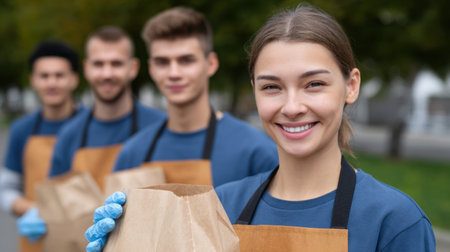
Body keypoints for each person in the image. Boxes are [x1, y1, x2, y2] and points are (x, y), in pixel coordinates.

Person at [85, 4, 436, 252]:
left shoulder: (394, 221)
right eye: (272, 87)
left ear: (351, 85)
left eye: (314, 84)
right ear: (254, 91)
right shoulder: (222, 204)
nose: (293, 106)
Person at [17, 26, 166, 244]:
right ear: (87, 69)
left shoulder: (160, 126)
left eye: (116, 63)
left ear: (133, 68)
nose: (107, 73)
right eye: (99, 64)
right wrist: (41, 215)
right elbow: (57, 206)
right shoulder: (69, 135)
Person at [113, 7, 278, 186]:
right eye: (162, 62)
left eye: (186, 60)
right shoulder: (132, 154)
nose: (174, 73)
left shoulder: (256, 151)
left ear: (211, 64)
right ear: (151, 69)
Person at [0, 40, 83, 251]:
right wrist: (30, 209)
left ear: (74, 79)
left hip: (87, 239)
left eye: (59, 75)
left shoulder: (92, 125)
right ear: (33, 80)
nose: (51, 83)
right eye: (44, 76)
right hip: (37, 242)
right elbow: (6, 188)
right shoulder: (22, 129)